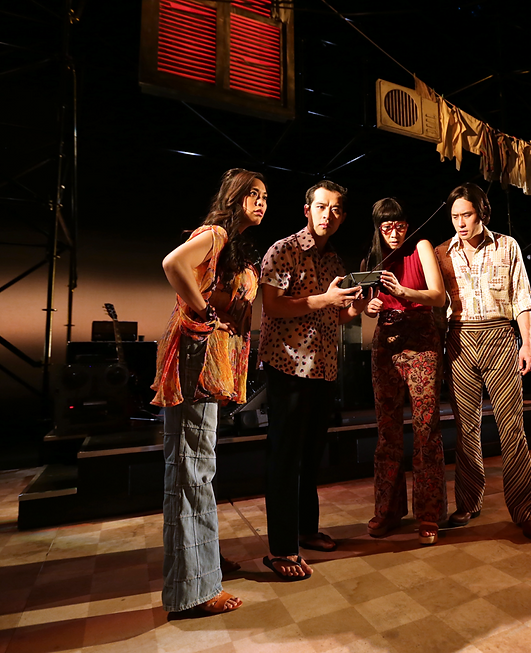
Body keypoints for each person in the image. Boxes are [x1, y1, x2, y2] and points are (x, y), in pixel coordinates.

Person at [151, 168, 267, 615]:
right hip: (195, 363)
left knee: (196, 468)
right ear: (234, 197)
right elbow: (172, 264)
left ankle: (200, 575)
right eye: (253, 195)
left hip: (208, 366)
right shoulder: (216, 234)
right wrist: (203, 315)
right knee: (189, 471)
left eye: (264, 196)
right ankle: (191, 591)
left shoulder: (230, 243)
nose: (260, 202)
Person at [258, 180, 373, 581]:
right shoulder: (283, 249)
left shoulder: (335, 262)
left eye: (337, 209)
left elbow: (337, 315)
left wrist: (357, 306)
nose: (328, 215)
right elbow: (270, 305)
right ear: (306, 209)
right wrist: (324, 299)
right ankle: (281, 548)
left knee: (310, 457)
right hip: (288, 366)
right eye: (321, 207)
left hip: (323, 368)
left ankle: (306, 530)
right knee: (285, 457)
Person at [435, 182, 531, 541]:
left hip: (500, 335)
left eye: (467, 214)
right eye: (455, 216)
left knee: (512, 426)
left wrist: (526, 344)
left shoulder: (506, 245)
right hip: (460, 338)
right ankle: (467, 502)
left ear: (481, 213)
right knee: (466, 429)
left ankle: (525, 510)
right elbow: (435, 304)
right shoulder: (441, 253)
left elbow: (522, 299)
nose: (461, 223)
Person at [361, 198, 447, 546]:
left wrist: (403, 291)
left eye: (398, 226)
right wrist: (368, 306)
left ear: (407, 225)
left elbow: (438, 296)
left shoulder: (421, 246)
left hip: (421, 336)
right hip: (386, 339)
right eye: (386, 228)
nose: (393, 234)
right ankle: (388, 510)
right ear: (378, 229)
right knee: (388, 431)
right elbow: (361, 305)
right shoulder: (372, 257)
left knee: (426, 428)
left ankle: (429, 513)